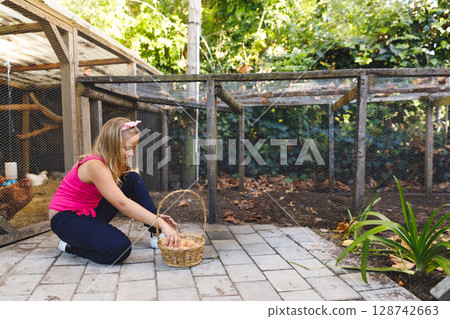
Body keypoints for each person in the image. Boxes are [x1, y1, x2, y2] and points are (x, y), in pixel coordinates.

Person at [48, 117, 180, 265]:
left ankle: (155, 232)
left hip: (90, 211)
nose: (131, 153)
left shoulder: (113, 163)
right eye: (127, 148)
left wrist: (153, 218)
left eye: (134, 148)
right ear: (112, 145)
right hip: (66, 219)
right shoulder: (95, 165)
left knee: (131, 178)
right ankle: (71, 247)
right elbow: (122, 204)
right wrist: (161, 223)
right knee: (119, 249)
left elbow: (122, 197)